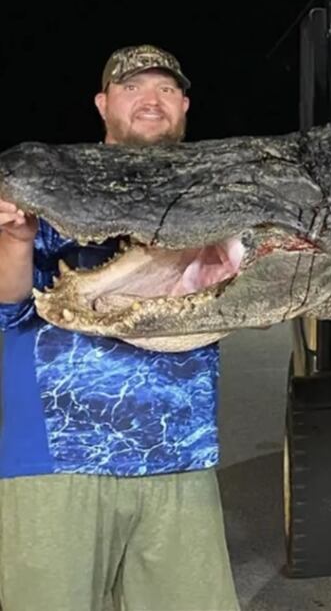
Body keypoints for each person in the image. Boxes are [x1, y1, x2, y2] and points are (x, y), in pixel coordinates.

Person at [0, 45, 239, 611]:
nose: (151, 100)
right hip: (56, 465)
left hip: (180, 457)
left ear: (183, 104)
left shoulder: (215, 196)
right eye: (133, 88)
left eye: (164, 89)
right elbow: (8, 309)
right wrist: (14, 242)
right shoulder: (52, 184)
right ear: (103, 103)